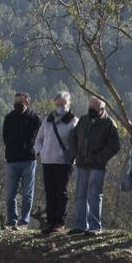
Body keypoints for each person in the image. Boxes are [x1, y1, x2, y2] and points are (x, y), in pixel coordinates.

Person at [69, 95, 120, 236]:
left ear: (102, 109)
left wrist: (98, 158)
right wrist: (75, 154)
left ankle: (94, 227)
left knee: (94, 196)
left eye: (94, 108)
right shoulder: (83, 120)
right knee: (80, 195)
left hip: (97, 166)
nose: (91, 109)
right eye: (90, 107)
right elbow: (73, 137)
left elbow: (114, 146)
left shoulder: (109, 123)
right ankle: (80, 225)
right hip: (81, 164)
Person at [35, 91, 78, 234]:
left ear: (69, 103)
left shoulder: (73, 121)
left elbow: (77, 143)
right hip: (47, 161)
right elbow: (38, 138)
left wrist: (72, 157)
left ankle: (60, 223)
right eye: (58, 103)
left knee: (61, 192)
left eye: (63, 103)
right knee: (50, 192)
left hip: (63, 163)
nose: (60, 106)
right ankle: (50, 221)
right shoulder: (47, 120)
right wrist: (40, 151)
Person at [1, 92, 41, 228]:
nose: (17, 104)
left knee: (27, 194)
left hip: (29, 161)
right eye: (16, 102)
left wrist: (32, 150)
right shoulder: (9, 118)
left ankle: (24, 221)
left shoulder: (35, 119)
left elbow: (40, 138)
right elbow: (5, 137)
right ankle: (11, 220)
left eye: (20, 102)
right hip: (11, 161)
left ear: (27, 102)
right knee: (10, 194)